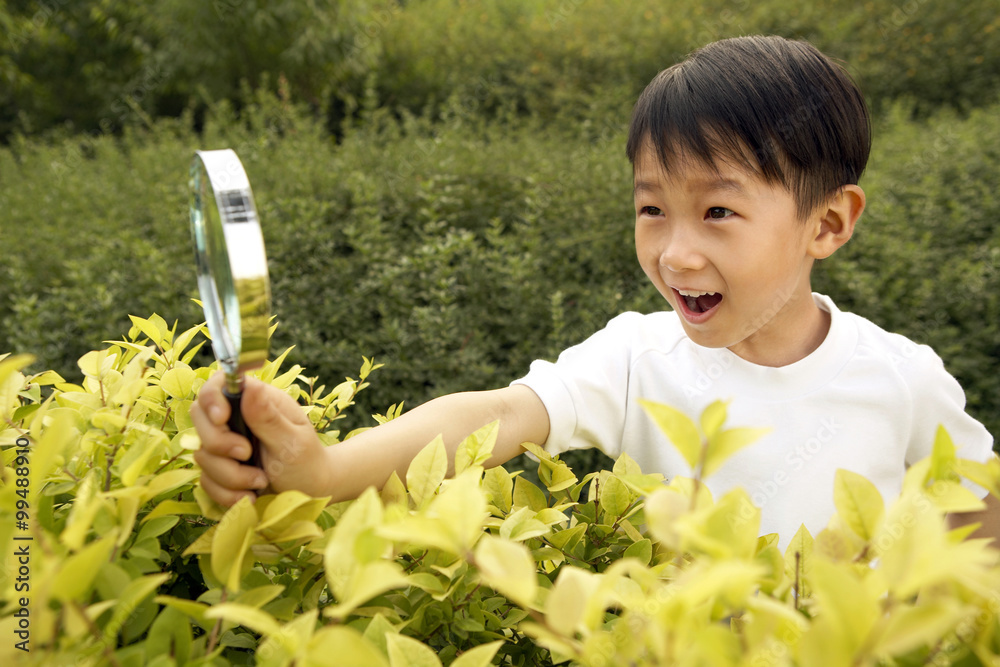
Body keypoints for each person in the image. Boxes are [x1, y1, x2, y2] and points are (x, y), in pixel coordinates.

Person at [192, 35, 999, 548]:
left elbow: (981, 528)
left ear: (828, 223)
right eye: (652, 208)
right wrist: (325, 470)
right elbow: (495, 414)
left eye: (718, 210)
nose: (676, 251)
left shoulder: (905, 379)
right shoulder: (635, 357)